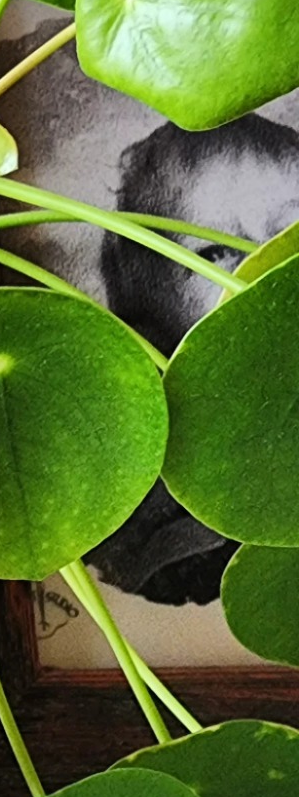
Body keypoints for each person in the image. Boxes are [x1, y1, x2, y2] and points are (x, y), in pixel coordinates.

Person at [86, 116, 299, 606]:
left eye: (286, 241)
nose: (260, 275)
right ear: (142, 286)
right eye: (219, 252)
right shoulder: (137, 509)